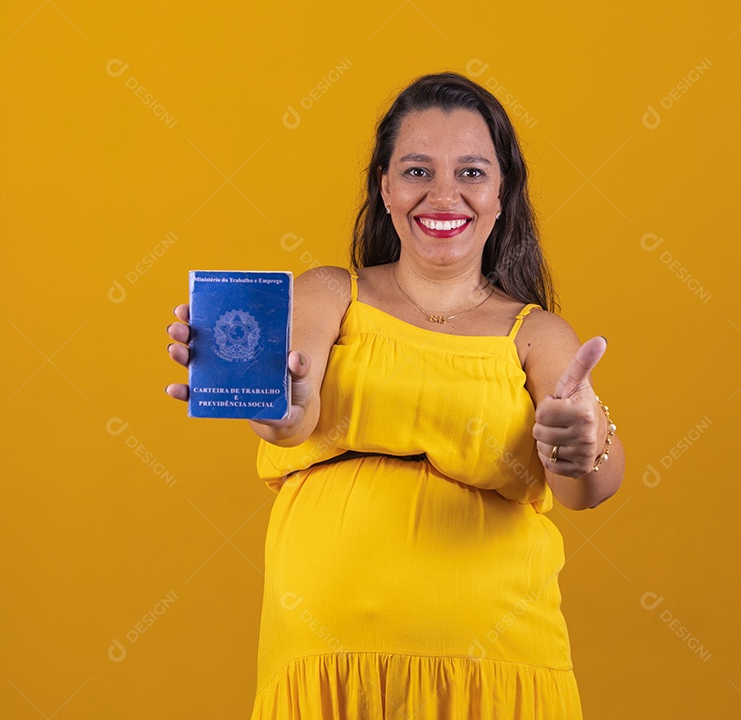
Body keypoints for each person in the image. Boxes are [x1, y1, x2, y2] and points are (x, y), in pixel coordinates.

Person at [165, 71, 625, 719]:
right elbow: (291, 418)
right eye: (416, 171)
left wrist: (581, 447)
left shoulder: (538, 335)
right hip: (327, 677)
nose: (443, 194)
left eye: (471, 173)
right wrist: (279, 399)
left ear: (502, 195)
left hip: (496, 678)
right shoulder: (328, 294)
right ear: (384, 187)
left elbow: (589, 489)